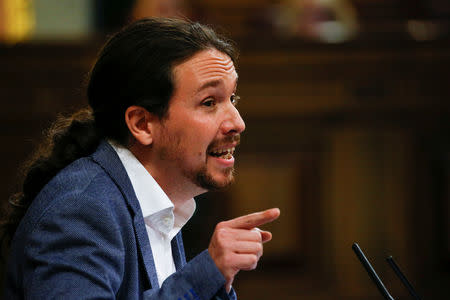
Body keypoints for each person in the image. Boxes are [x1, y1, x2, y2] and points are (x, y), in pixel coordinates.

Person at [1, 18, 280, 299]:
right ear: (142, 124)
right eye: (209, 102)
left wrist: (215, 281)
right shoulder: (81, 209)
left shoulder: (158, 200)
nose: (237, 122)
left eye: (233, 98)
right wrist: (204, 274)